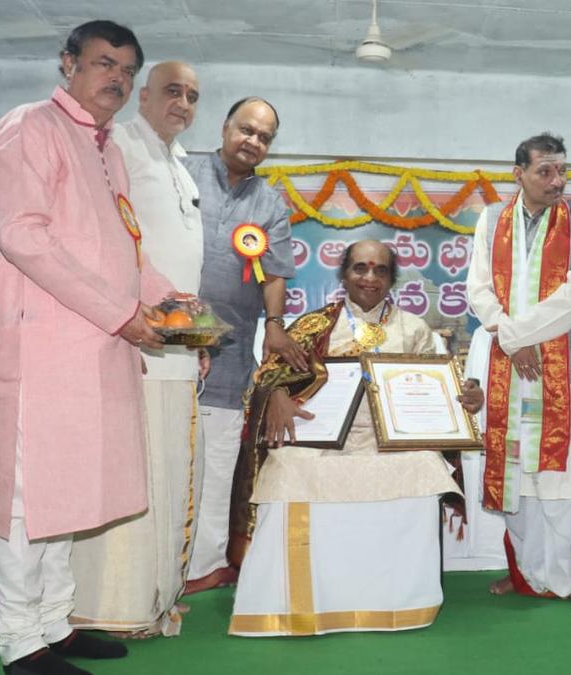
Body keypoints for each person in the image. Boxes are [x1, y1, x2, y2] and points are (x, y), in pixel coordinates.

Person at [0, 20, 175, 675]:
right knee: (28, 502)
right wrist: (123, 313)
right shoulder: (29, 128)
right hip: (38, 358)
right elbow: (23, 238)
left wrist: (171, 300)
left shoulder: (106, 148)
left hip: (93, 354)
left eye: (126, 70)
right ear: (68, 64)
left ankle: (54, 624)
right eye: (103, 63)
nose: (116, 77)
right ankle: (19, 641)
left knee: (66, 499)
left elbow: (124, 248)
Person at [226, 240, 479, 635]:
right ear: (344, 275)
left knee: (424, 464)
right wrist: (276, 396)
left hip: (390, 443)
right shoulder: (313, 326)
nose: (370, 278)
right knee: (289, 466)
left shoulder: (414, 329)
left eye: (380, 270)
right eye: (360, 268)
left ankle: (399, 601)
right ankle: (291, 603)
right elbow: (268, 375)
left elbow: (442, 385)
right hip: (322, 441)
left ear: (392, 278)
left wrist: (467, 396)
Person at [69, 61, 206, 638]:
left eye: (193, 96)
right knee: (134, 472)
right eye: (172, 91)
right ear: (143, 95)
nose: (183, 103)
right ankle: (115, 603)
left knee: (169, 469)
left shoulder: (180, 165)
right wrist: (138, 319)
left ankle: (157, 591)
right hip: (135, 340)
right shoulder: (118, 146)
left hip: (176, 345)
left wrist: (195, 339)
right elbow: (107, 248)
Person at [466, 132, 571, 598]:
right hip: (507, 367)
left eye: (562, 170)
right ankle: (527, 571)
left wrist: (514, 336)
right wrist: (509, 338)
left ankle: (565, 577)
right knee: (516, 475)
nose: (557, 180)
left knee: (564, 475)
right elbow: (478, 290)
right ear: (518, 174)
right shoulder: (491, 219)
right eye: (545, 170)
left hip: (564, 367)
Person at [182, 97, 301, 594]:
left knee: (217, 458)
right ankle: (154, 557)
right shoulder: (181, 172)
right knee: (159, 456)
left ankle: (205, 565)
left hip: (230, 347)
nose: (254, 141)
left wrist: (274, 324)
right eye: (246, 129)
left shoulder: (270, 202)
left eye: (265, 137)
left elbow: (273, 271)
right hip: (161, 342)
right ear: (225, 126)